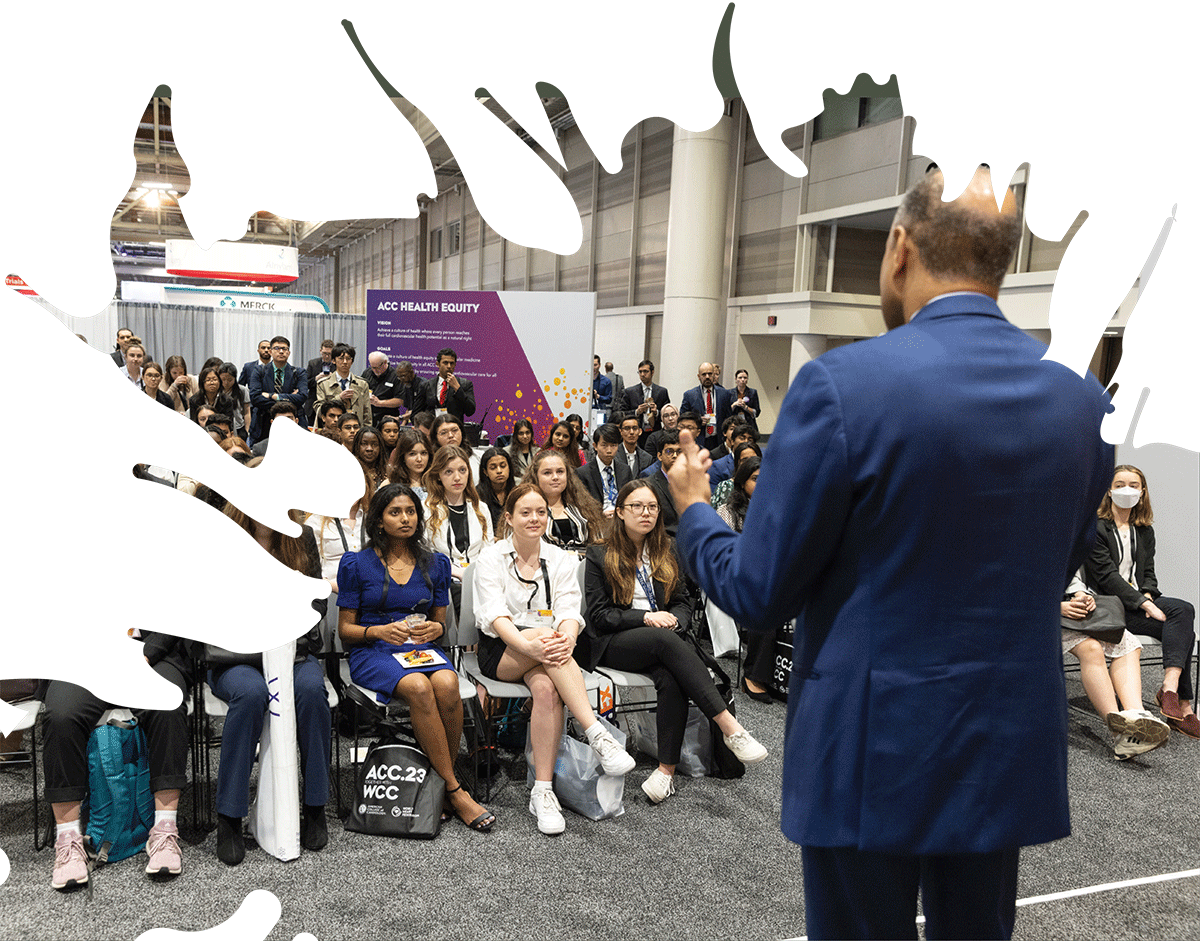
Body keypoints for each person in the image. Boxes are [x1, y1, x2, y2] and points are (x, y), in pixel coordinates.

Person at [667, 165, 1114, 940]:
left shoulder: (843, 386)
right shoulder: (1082, 402)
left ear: (899, 248)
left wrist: (695, 510)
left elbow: (759, 589)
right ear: (1003, 259)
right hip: (1003, 740)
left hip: (869, 746)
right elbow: (1058, 559)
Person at [583, 480, 767, 803]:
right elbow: (600, 615)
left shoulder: (666, 549)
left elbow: (682, 602)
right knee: (662, 640)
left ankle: (665, 772)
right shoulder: (600, 553)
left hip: (662, 641)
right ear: (621, 512)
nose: (646, 513)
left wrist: (676, 621)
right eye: (637, 506)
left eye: (652, 507)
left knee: (671, 676)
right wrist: (647, 617)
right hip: (613, 642)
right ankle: (729, 727)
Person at [473, 483, 636, 835]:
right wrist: (530, 645)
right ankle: (596, 733)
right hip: (503, 649)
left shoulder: (561, 558)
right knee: (545, 639)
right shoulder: (490, 557)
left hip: (549, 651)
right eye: (525, 512)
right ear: (509, 518)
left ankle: (542, 791)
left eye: (541, 512)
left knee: (547, 689)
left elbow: (569, 611)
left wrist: (568, 639)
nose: (535, 518)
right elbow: (495, 616)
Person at [336, 483, 494, 831]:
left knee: (448, 682)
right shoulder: (356, 564)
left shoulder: (435, 563)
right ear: (379, 521)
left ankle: (439, 784)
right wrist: (378, 631)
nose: (405, 518)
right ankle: (453, 790)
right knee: (420, 687)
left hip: (419, 647)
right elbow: (345, 630)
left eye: (410, 511)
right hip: (373, 649)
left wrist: (435, 629)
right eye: (395, 512)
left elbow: (439, 622)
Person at [210, 496, 331, 865]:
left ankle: (314, 806)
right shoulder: (220, 534)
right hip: (236, 654)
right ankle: (230, 817)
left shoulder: (301, 536)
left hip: (291, 651)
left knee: (311, 691)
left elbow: (317, 601)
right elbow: (207, 602)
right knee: (251, 694)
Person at [42, 632, 193, 888]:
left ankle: (164, 829)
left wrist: (146, 654)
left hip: (153, 654)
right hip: (83, 658)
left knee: (168, 705)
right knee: (62, 717)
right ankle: (68, 841)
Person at [1085, 464, 1198, 738]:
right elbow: (1107, 577)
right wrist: (1145, 604)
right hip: (1109, 607)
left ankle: (1170, 689)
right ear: (1109, 491)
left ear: (1142, 491)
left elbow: (1148, 573)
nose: (1127, 490)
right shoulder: (1096, 529)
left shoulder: (1144, 530)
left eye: (1133, 485)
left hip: (1136, 603)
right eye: (1120, 484)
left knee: (1183, 612)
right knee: (1185, 633)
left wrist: (1147, 593)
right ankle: (1183, 707)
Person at [1061, 568, 1170, 758]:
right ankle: (1120, 733)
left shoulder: (1060, 549)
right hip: (1037, 613)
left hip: (1072, 608)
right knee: (1091, 648)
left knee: (1127, 643)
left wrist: (1081, 595)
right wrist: (1056, 606)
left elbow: (1072, 576)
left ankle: (1136, 713)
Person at [715, 456, 772, 702]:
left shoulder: (775, 509)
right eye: (756, 479)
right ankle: (754, 676)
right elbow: (725, 553)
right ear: (741, 482)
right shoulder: (727, 511)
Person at [424, 444, 490, 615]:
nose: (457, 477)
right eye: (449, 472)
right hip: (442, 578)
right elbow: (424, 553)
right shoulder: (426, 510)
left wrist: (473, 574)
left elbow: (489, 550)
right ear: (438, 476)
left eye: (462, 470)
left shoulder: (481, 508)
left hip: (478, 576)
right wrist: (454, 571)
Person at [527, 448, 603, 555]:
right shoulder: (526, 511)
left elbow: (598, 545)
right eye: (547, 473)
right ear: (536, 476)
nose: (555, 477)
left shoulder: (584, 506)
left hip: (583, 563)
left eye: (560, 472)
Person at [247, 336, 308, 447]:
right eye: (277, 348)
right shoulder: (259, 371)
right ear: (270, 352)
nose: (281, 351)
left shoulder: (299, 372)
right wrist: (289, 398)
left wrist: (273, 396)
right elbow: (255, 398)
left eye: (284, 349)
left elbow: (302, 397)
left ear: (289, 353)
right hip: (263, 423)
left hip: (293, 423)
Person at [576, 423, 633, 518]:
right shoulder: (583, 473)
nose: (609, 450)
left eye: (613, 445)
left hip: (621, 518)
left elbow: (631, 498)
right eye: (604, 445)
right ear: (595, 446)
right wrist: (600, 515)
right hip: (596, 519)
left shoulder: (625, 470)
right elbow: (581, 504)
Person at [316, 343, 372, 428]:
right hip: (333, 429)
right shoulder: (323, 384)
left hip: (355, 430)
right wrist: (339, 398)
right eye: (341, 358)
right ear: (333, 360)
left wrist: (366, 431)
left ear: (352, 361)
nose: (345, 362)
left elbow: (367, 413)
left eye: (348, 359)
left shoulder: (362, 384)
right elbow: (319, 411)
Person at [679, 362, 733, 451]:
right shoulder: (690, 395)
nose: (707, 377)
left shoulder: (724, 394)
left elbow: (729, 417)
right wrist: (698, 420)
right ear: (698, 376)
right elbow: (683, 417)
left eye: (710, 374)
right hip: (698, 440)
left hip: (719, 440)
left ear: (714, 375)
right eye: (704, 374)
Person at [619, 359, 671, 449]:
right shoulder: (630, 392)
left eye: (645, 371)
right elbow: (621, 413)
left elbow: (667, 413)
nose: (642, 374)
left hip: (655, 431)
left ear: (652, 372)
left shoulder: (662, 392)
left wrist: (656, 412)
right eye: (640, 372)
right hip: (636, 432)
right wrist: (637, 412)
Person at [415, 347, 476, 421]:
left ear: (455, 365)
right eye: (445, 363)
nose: (449, 366)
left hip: (454, 426)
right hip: (432, 427)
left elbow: (470, 411)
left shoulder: (465, 384)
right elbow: (416, 414)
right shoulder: (426, 385)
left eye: (452, 363)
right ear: (438, 364)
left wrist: (457, 388)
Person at [712, 441, 762, 510]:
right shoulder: (727, 486)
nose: (750, 463)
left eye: (753, 458)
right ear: (737, 463)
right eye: (745, 460)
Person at [385, 427, 431, 499]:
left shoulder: (437, 482)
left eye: (423, 453)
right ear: (403, 457)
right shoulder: (390, 483)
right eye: (412, 454)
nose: (419, 459)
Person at [476, 446, 515, 532]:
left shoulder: (517, 492)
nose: (499, 471)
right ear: (485, 472)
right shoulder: (476, 495)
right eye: (493, 468)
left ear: (509, 468)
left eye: (503, 466)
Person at [363, 351, 406, 421]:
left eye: (377, 367)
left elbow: (400, 400)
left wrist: (379, 403)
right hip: (368, 416)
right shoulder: (367, 373)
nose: (375, 370)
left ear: (385, 362)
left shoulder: (396, 376)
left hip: (388, 417)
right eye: (373, 367)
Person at [218, 362, 252, 438]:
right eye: (223, 379)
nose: (226, 383)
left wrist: (247, 430)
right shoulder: (216, 391)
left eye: (230, 380)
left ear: (235, 378)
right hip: (221, 427)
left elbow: (247, 412)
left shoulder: (242, 390)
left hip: (239, 427)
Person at [616, 412, 654, 478]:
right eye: (627, 428)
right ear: (621, 432)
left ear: (640, 431)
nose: (631, 432)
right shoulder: (614, 454)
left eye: (635, 428)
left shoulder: (647, 458)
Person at [351, 425, 388, 490]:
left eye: (374, 444)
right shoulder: (349, 471)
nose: (369, 449)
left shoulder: (388, 473)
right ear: (357, 446)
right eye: (364, 444)